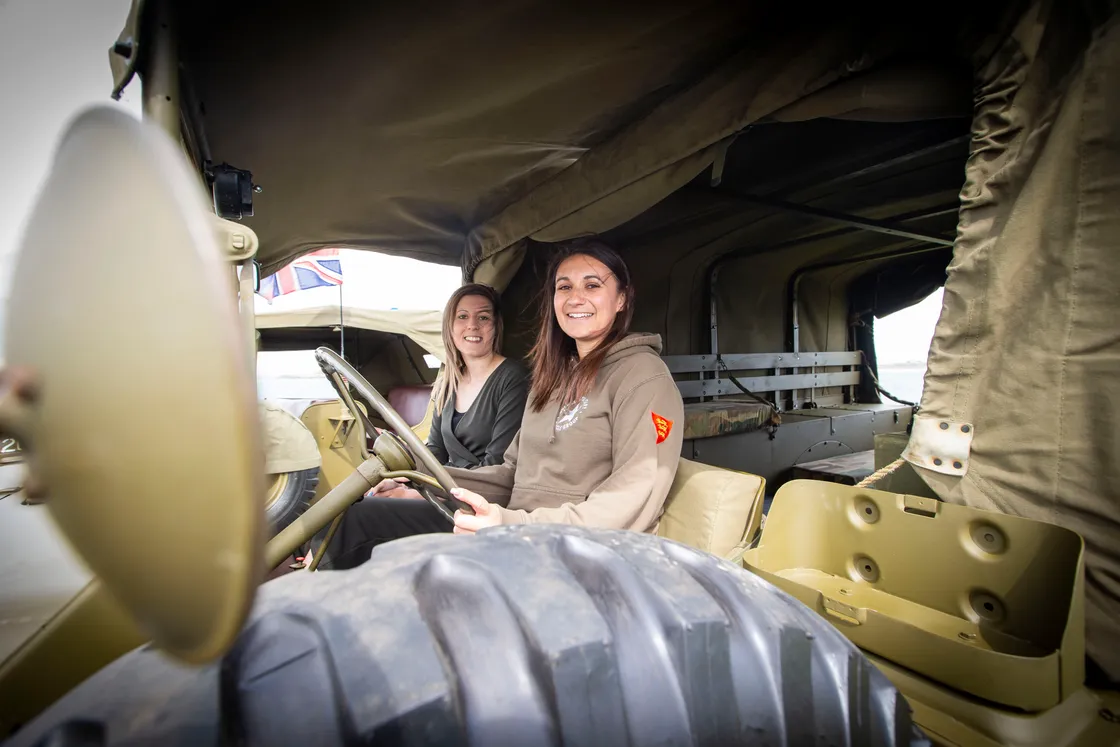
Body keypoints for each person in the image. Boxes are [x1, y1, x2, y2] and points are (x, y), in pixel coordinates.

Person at [316, 238, 684, 570]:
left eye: (592, 286)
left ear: (621, 299)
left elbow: (634, 496)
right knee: (360, 518)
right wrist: (421, 478)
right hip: (515, 528)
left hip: (576, 551)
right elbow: (510, 474)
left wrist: (511, 525)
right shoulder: (554, 377)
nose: (576, 298)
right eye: (564, 287)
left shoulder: (643, 376)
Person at [423, 283, 529, 469]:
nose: (472, 325)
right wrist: (408, 480)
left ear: (496, 326)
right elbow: (435, 449)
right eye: (462, 316)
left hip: (484, 491)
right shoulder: (448, 383)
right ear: (450, 326)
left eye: (483, 317)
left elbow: (497, 463)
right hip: (447, 486)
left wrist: (427, 490)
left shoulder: (513, 379)